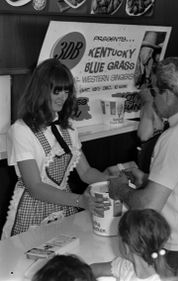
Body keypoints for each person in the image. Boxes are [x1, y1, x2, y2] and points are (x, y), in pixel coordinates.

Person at [109, 57, 178, 281]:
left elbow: (149, 205)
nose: (153, 99)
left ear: (168, 95)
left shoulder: (175, 137)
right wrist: (148, 180)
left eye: (154, 92)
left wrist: (121, 190)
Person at [1, 58, 111, 239]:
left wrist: (113, 182)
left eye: (66, 90)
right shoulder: (21, 130)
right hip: (33, 208)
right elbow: (35, 186)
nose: (63, 96)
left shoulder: (68, 128)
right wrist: (80, 200)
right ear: (42, 91)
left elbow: (86, 172)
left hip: (64, 205)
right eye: (57, 90)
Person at [91, 209, 178, 281]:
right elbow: (92, 269)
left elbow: (91, 270)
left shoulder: (125, 267)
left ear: (126, 247)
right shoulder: (125, 265)